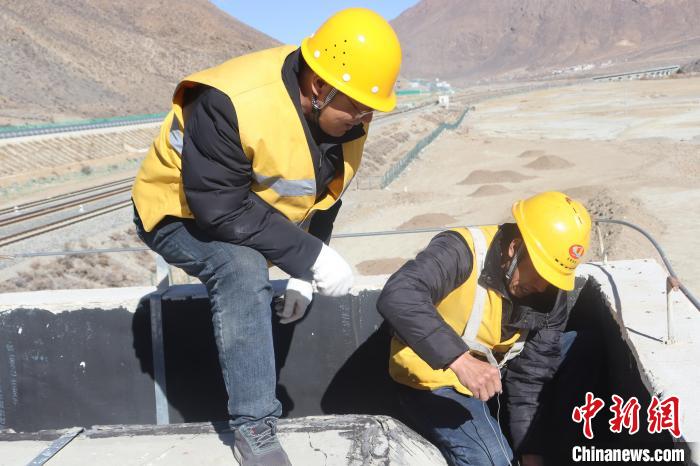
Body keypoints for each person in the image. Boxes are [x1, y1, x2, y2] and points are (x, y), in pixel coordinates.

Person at [130, 8, 401, 465]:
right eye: (357, 106)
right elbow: (219, 206)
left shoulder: (348, 117)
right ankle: (254, 428)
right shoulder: (231, 101)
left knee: (250, 256)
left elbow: (325, 196)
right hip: (176, 210)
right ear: (319, 86)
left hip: (242, 214)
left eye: (370, 107)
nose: (364, 117)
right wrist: (310, 257)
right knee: (240, 266)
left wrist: (302, 274)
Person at [377, 191, 592, 466]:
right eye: (540, 272)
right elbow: (399, 294)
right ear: (514, 248)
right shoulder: (461, 251)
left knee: (582, 347)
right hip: (434, 381)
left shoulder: (550, 290)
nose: (542, 287)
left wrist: (531, 452)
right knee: (494, 461)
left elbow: (531, 378)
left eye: (551, 278)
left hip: (493, 377)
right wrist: (460, 360)